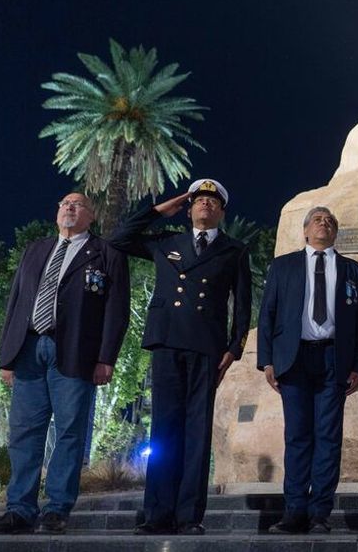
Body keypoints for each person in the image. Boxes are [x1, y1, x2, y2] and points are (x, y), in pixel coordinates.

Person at [109, 179, 251, 536]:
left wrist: (234, 348)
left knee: (197, 432)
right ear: (188, 208)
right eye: (199, 200)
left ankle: (189, 515)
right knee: (164, 430)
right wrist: (157, 210)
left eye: (213, 201)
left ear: (222, 211)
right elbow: (119, 239)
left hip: (207, 346)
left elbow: (243, 304)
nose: (205, 205)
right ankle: (157, 513)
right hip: (168, 341)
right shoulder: (167, 242)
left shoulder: (234, 250)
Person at [0, 193, 129, 534]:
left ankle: (57, 509)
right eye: (65, 203)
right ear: (57, 213)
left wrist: (106, 358)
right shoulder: (36, 250)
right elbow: (16, 301)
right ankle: (19, 509)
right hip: (29, 350)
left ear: (91, 216)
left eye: (78, 204)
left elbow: (116, 310)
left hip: (76, 354)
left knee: (69, 431)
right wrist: (6, 355)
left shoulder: (106, 254)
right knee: (24, 433)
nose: (69, 207)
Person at [258, 206, 358, 535]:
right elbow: (268, 315)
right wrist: (267, 360)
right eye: (318, 220)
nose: (325, 224)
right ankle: (294, 511)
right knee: (297, 437)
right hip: (294, 361)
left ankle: (320, 512)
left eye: (330, 221)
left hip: (333, 362)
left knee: (328, 438)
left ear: (335, 233)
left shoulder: (354, 271)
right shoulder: (283, 266)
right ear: (306, 231)